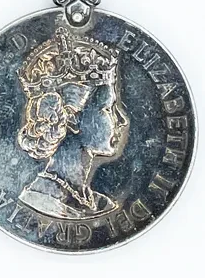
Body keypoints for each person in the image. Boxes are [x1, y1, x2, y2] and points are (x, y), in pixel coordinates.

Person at [17, 27, 129, 220]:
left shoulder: (99, 203)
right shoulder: (43, 199)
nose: (122, 120)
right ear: (72, 119)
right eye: (108, 108)